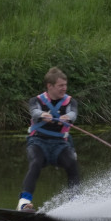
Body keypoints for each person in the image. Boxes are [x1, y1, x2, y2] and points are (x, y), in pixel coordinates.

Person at [18, 67, 81, 211]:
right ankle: (24, 203)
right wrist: (42, 115)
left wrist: (67, 117)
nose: (64, 88)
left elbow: (73, 114)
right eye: (60, 86)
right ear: (50, 86)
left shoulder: (71, 102)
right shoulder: (36, 101)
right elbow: (34, 111)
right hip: (38, 142)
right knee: (35, 163)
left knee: (72, 163)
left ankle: (76, 203)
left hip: (60, 144)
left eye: (65, 85)